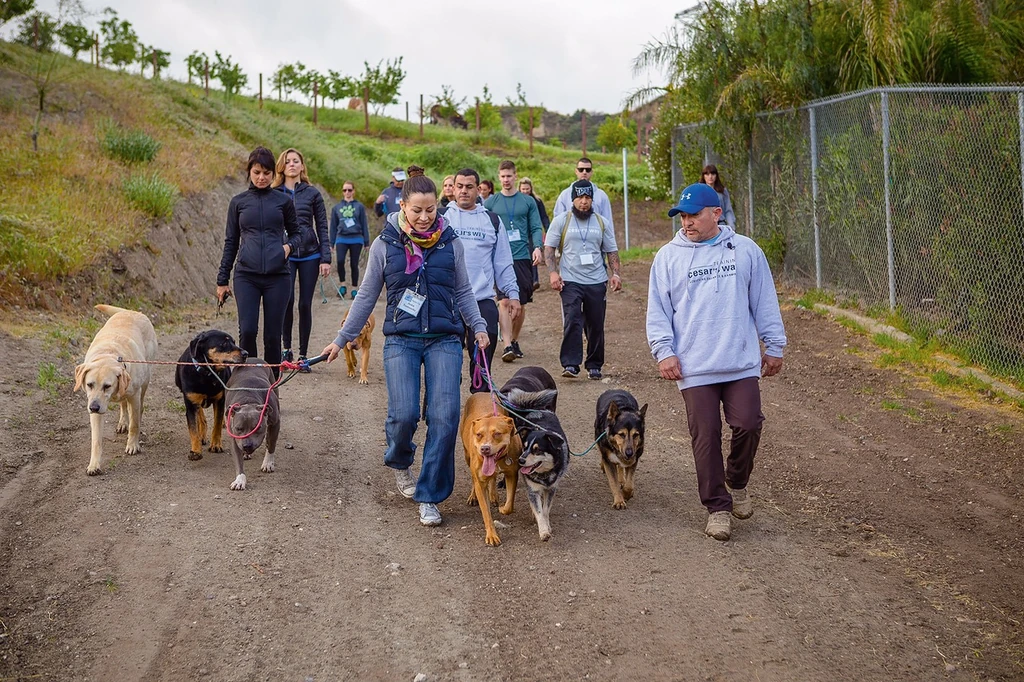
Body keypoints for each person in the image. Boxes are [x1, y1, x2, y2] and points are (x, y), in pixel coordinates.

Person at [321, 166, 489, 528]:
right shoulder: (386, 244)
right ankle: (400, 459)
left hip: (445, 338)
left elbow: (463, 291)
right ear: (403, 207)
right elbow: (366, 296)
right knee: (404, 416)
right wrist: (341, 339)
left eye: (431, 210)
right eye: (417, 210)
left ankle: (430, 495)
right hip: (401, 339)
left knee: (444, 417)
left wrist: (478, 326)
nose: (426, 217)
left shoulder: (450, 242)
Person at [645, 183, 786, 542]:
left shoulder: (745, 251)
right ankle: (718, 508)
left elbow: (764, 300)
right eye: (683, 216)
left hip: (739, 361)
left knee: (749, 423)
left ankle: (737, 481)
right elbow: (658, 311)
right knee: (705, 436)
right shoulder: (668, 257)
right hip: (694, 367)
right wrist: (664, 351)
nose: (687, 223)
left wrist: (774, 345)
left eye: (694, 215)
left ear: (716, 214)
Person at [217, 146, 301, 379]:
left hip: (278, 276)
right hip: (247, 275)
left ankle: (270, 387)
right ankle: (248, 381)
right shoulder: (238, 202)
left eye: (266, 173)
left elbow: (298, 234)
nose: (262, 177)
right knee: (248, 331)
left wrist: (288, 247)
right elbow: (231, 241)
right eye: (257, 172)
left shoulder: (284, 201)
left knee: (273, 336)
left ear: (274, 173)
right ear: (249, 173)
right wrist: (222, 280)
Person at [441, 167, 521, 391]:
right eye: (459, 186)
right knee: (446, 369)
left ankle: (482, 413)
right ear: (452, 188)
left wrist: (512, 294)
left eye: (469, 187)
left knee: (482, 370)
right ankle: (439, 417)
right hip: (447, 301)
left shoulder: (492, 221)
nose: (464, 191)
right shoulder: (440, 218)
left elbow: (503, 262)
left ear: (479, 190)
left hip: (482, 300)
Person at [544, 179, 620, 380]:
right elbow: (549, 249)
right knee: (573, 320)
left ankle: (594, 364)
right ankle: (570, 364)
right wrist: (553, 272)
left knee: (596, 324)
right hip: (570, 280)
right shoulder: (562, 220)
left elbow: (611, 251)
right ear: (573, 199)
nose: (584, 202)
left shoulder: (602, 222)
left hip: (596, 280)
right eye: (580, 198)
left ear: (592, 200)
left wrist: (616, 274)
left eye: (587, 198)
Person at [272, 148, 331, 370]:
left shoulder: (313, 193)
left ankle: (304, 355)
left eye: (296, 161)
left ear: (302, 166)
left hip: (310, 254)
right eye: (288, 162)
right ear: (282, 166)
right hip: (284, 254)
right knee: (286, 301)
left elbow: (322, 226)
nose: (292, 165)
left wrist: (325, 258)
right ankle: (286, 348)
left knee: (305, 304)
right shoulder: (274, 192)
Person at [484, 160, 543, 363]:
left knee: (521, 303)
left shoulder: (528, 202)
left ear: (515, 176)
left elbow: (536, 226)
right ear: (498, 177)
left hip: (521, 256)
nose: (506, 180)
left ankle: (514, 339)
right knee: (504, 301)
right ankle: (507, 343)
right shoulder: (491, 203)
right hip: (499, 257)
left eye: (509, 176)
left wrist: (537, 247)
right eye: (503, 176)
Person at [329, 180, 370, 300]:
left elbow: (364, 224)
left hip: (356, 238)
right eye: (344, 190)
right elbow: (333, 227)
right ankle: (342, 285)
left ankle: (354, 288)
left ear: (353, 191)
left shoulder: (359, 207)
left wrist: (367, 242)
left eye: (349, 190)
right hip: (341, 237)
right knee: (340, 261)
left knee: (354, 263)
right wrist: (331, 243)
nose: (347, 192)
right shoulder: (336, 207)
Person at [553, 156, 613, 224]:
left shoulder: (601, 196)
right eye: (581, 169)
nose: (584, 172)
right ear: (576, 171)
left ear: (591, 172)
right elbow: (557, 221)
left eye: (588, 170)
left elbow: (608, 222)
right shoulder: (565, 195)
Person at [519, 176, 549, 292]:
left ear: (531, 189)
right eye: (523, 189)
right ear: (519, 189)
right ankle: (526, 279)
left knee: (534, 254)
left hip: (533, 232)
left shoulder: (537, 201)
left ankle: (534, 280)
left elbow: (544, 216)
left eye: (527, 189)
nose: (525, 191)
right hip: (520, 232)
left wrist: (548, 229)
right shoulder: (516, 201)